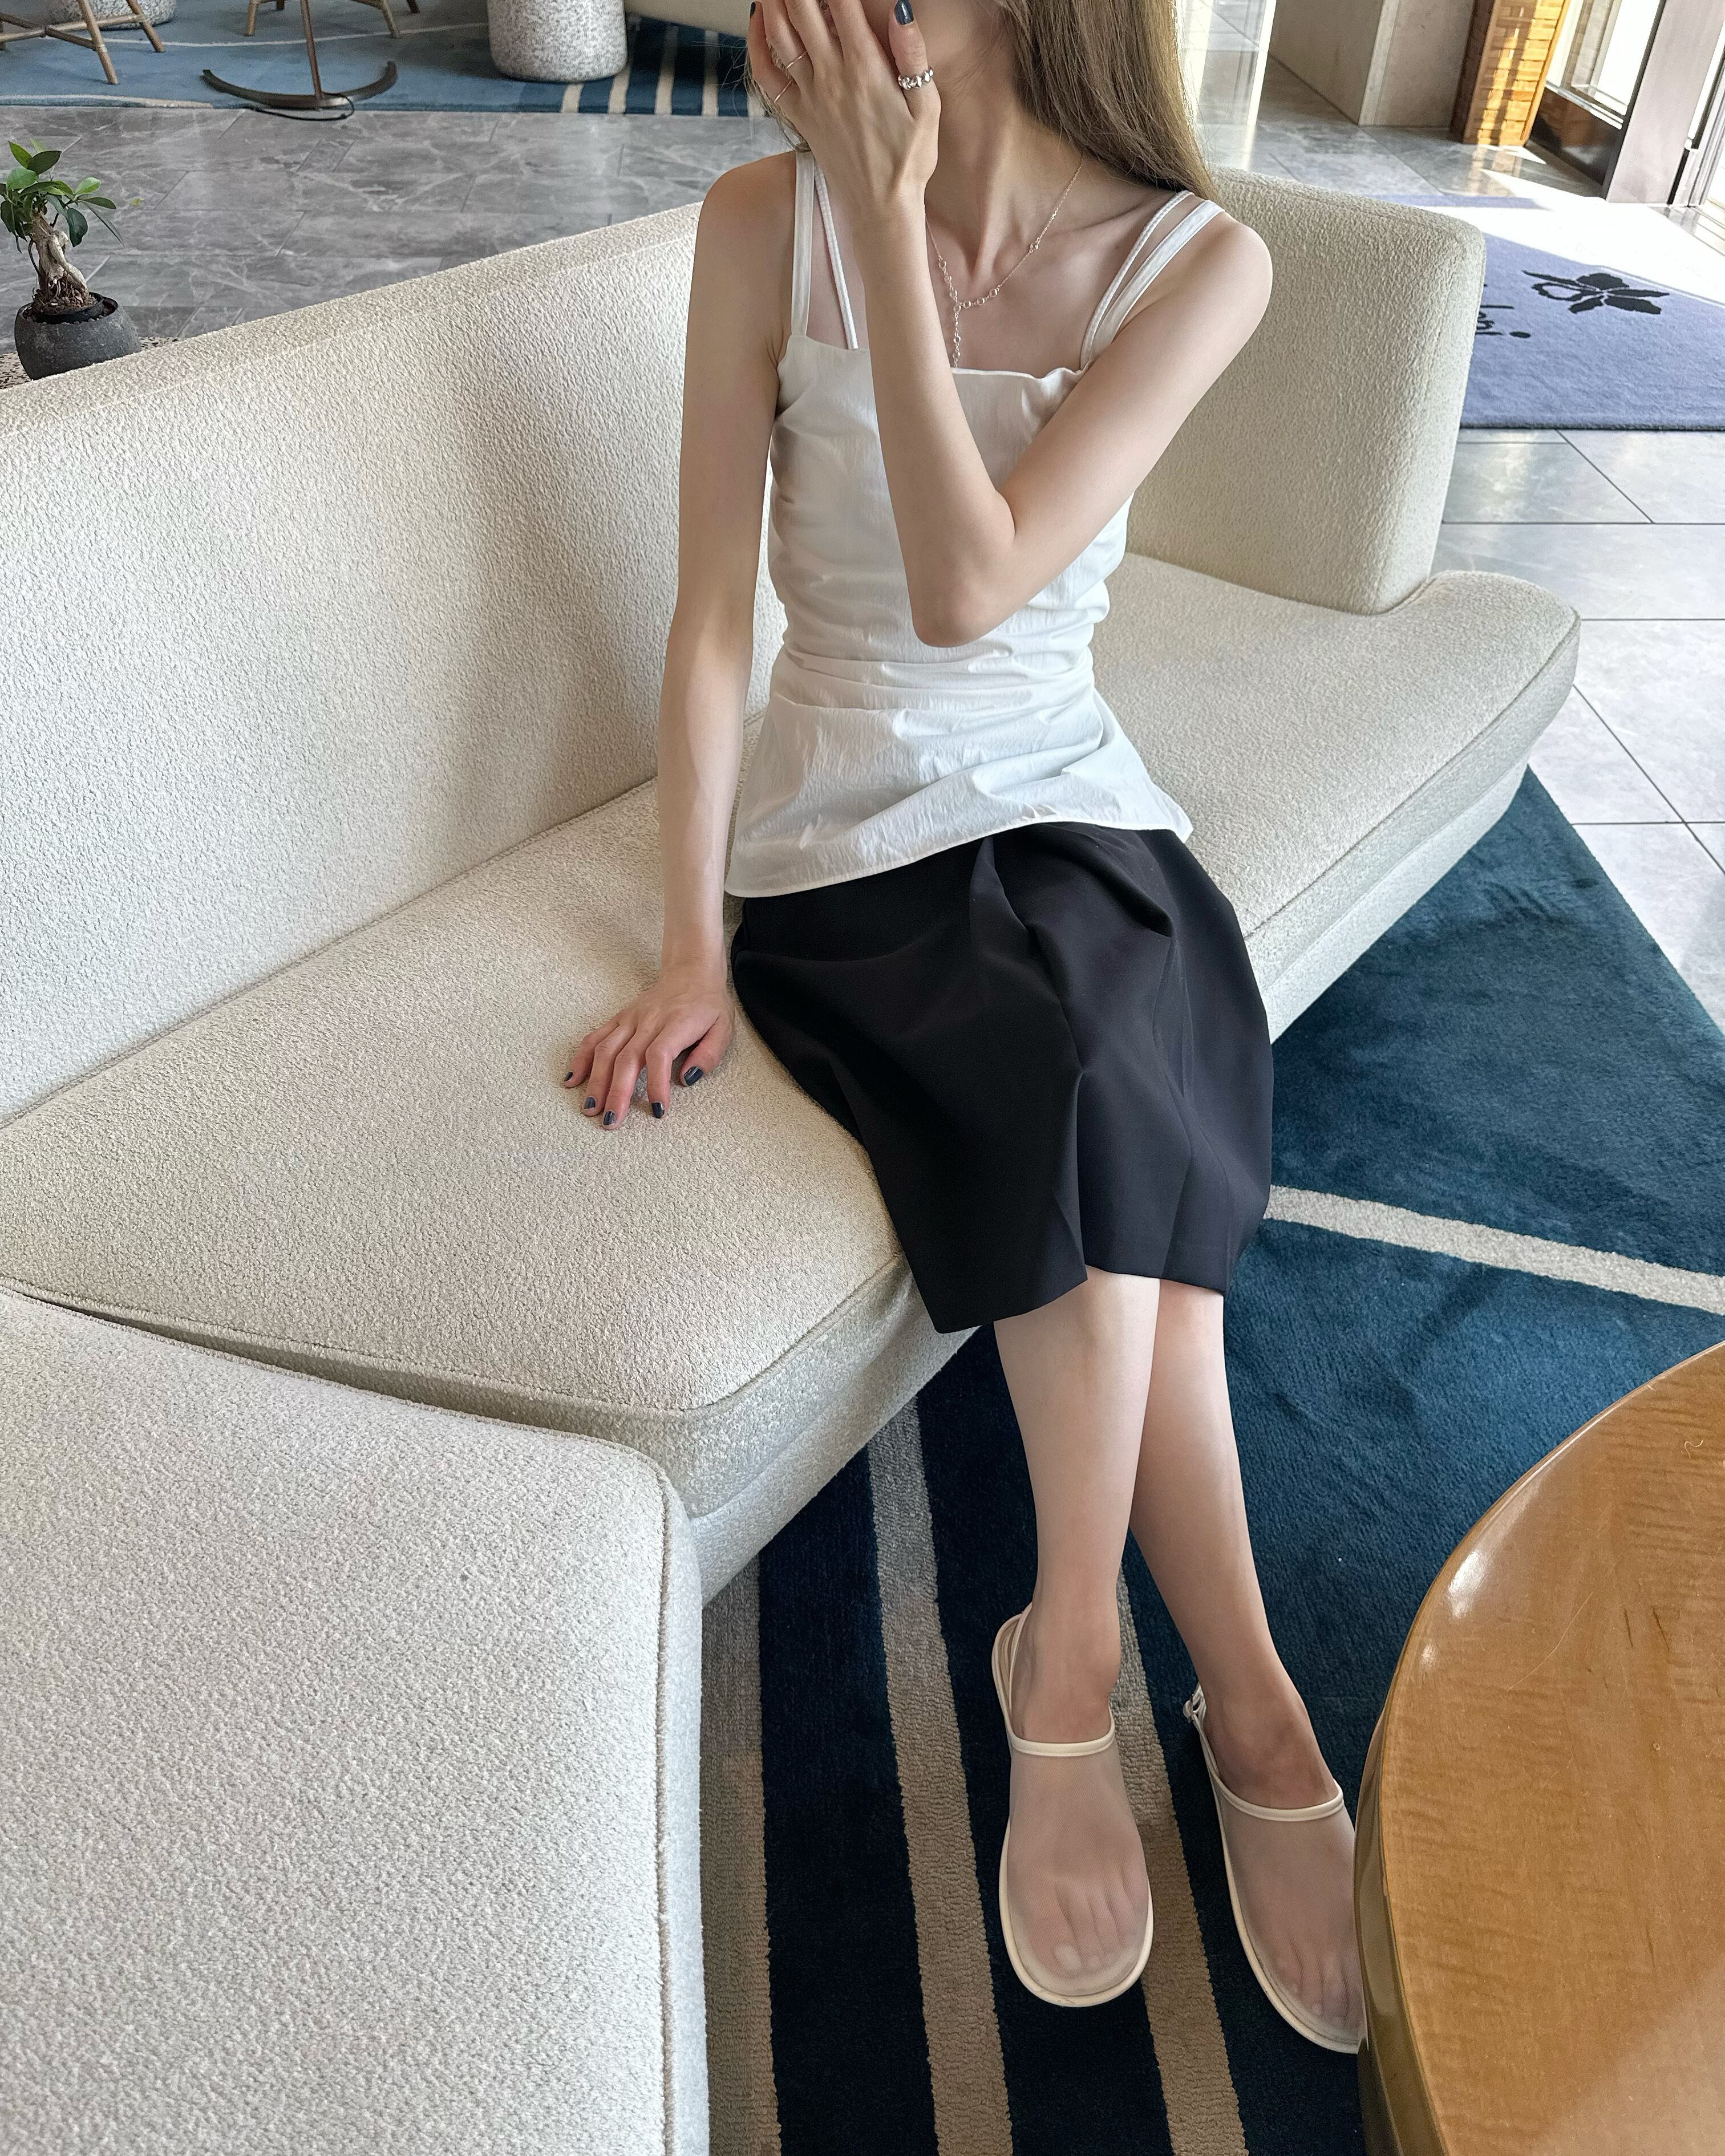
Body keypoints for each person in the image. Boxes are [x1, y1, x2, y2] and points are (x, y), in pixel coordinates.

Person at [565, 0, 1365, 2049]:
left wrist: (884, 207)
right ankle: (1202, 1692)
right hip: (845, 836)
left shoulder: (1201, 259)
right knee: (1087, 1084)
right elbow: (717, 620)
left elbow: (979, 580)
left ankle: (1096, 1660)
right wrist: (689, 939)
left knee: (1125, 1060)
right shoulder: (763, 224)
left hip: (1079, 802)